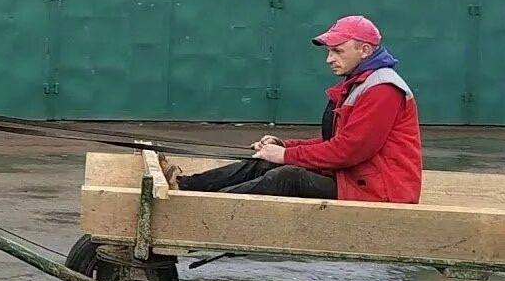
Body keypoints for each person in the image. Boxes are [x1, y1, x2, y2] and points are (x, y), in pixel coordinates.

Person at [163, 15, 423, 203]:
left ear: (364, 50)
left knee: (288, 177)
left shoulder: (383, 89)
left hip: (381, 189)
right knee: (266, 162)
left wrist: (286, 156)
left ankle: (196, 209)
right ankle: (184, 186)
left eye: (337, 51)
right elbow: (333, 142)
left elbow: (349, 151)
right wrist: (283, 146)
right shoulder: (362, 83)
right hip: (358, 178)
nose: (329, 59)